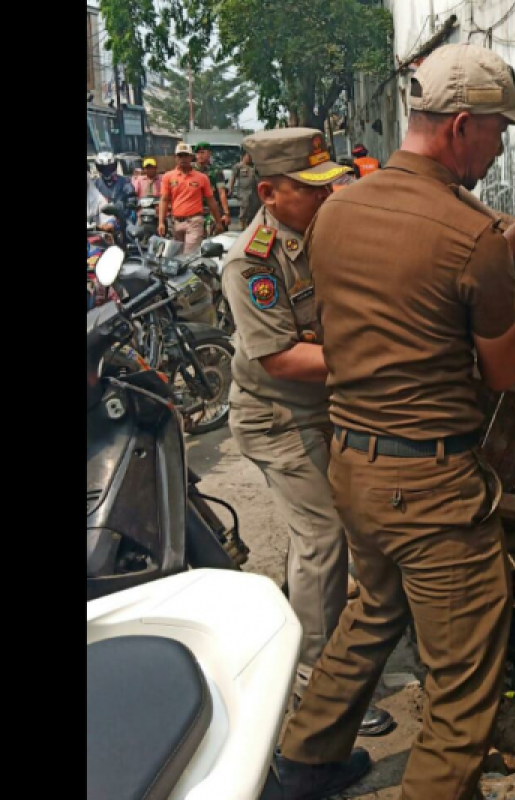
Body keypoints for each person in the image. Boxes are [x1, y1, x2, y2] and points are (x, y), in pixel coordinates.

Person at [273, 43, 515, 800]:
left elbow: (408, 259)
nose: (502, 147)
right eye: (500, 130)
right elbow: (504, 371)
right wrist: (502, 271)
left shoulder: (336, 210)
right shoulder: (471, 242)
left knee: (372, 610)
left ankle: (305, 761)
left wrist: (493, 242)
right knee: (462, 686)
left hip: (356, 466)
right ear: (461, 126)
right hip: (432, 487)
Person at [220, 128, 396, 753]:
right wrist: (375, 356)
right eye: (311, 188)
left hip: (324, 408)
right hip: (276, 417)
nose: (329, 196)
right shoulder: (253, 260)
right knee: (320, 540)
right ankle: (316, 688)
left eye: (331, 184)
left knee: (344, 529)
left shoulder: (323, 229)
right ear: (270, 193)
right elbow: (280, 361)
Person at [158, 142, 226, 253]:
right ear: (175, 158)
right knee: (176, 255)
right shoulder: (168, 177)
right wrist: (161, 222)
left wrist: (218, 221)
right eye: (180, 155)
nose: (183, 159)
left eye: (185, 155)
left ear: (191, 157)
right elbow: (164, 199)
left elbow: (211, 200)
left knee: (189, 254)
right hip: (175, 222)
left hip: (194, 221)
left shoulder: (202, 178)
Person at [194, 142, 231, 234]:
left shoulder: (216, 171)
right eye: (198, 153)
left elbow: (221, 193)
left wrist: (226, 213)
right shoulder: (190, 171)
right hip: (194, 212)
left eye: (203, 152)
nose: (200, 155)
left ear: (209, 153)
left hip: (212, 211)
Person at [229, 150, 257, 229]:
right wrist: (231, 188)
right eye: (248, 156)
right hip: (243, 191)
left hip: (254, 190)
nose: (250, 158)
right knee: (245, 206)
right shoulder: (238, 166)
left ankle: (249, 223)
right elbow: (233, 177)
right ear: (244, 156)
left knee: (253, 207)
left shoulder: (254, 167)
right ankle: (242, 222)